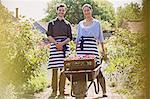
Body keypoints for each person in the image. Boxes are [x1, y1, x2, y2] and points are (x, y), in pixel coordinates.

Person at [75, 4, 107, 97]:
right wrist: (76, 51)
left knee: (97, 69)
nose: (86, 12)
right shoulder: (80, 24)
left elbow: (101, 37)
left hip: (92, 48)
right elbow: (77, 38)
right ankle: (83, 91)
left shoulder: (97, 23)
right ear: (83, 12)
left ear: (91, 11)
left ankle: (104, 91)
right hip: (82, 49)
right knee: (81, 71)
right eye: (84, 11)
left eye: (88, 10)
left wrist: (103, 51)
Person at [46, 3, 72, 98]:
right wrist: (57, 44)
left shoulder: (68, 24)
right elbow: (49, 35)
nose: (61, 12)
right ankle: (54, 90)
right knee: (54, 69)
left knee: (64, 69)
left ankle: (62, 91)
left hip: (65, 47)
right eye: (60, 10)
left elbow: (70, 37)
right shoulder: (51, 23)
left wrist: (62, 44)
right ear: (57, 11)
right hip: (54, 46)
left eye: (63, 10)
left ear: (65, 12)